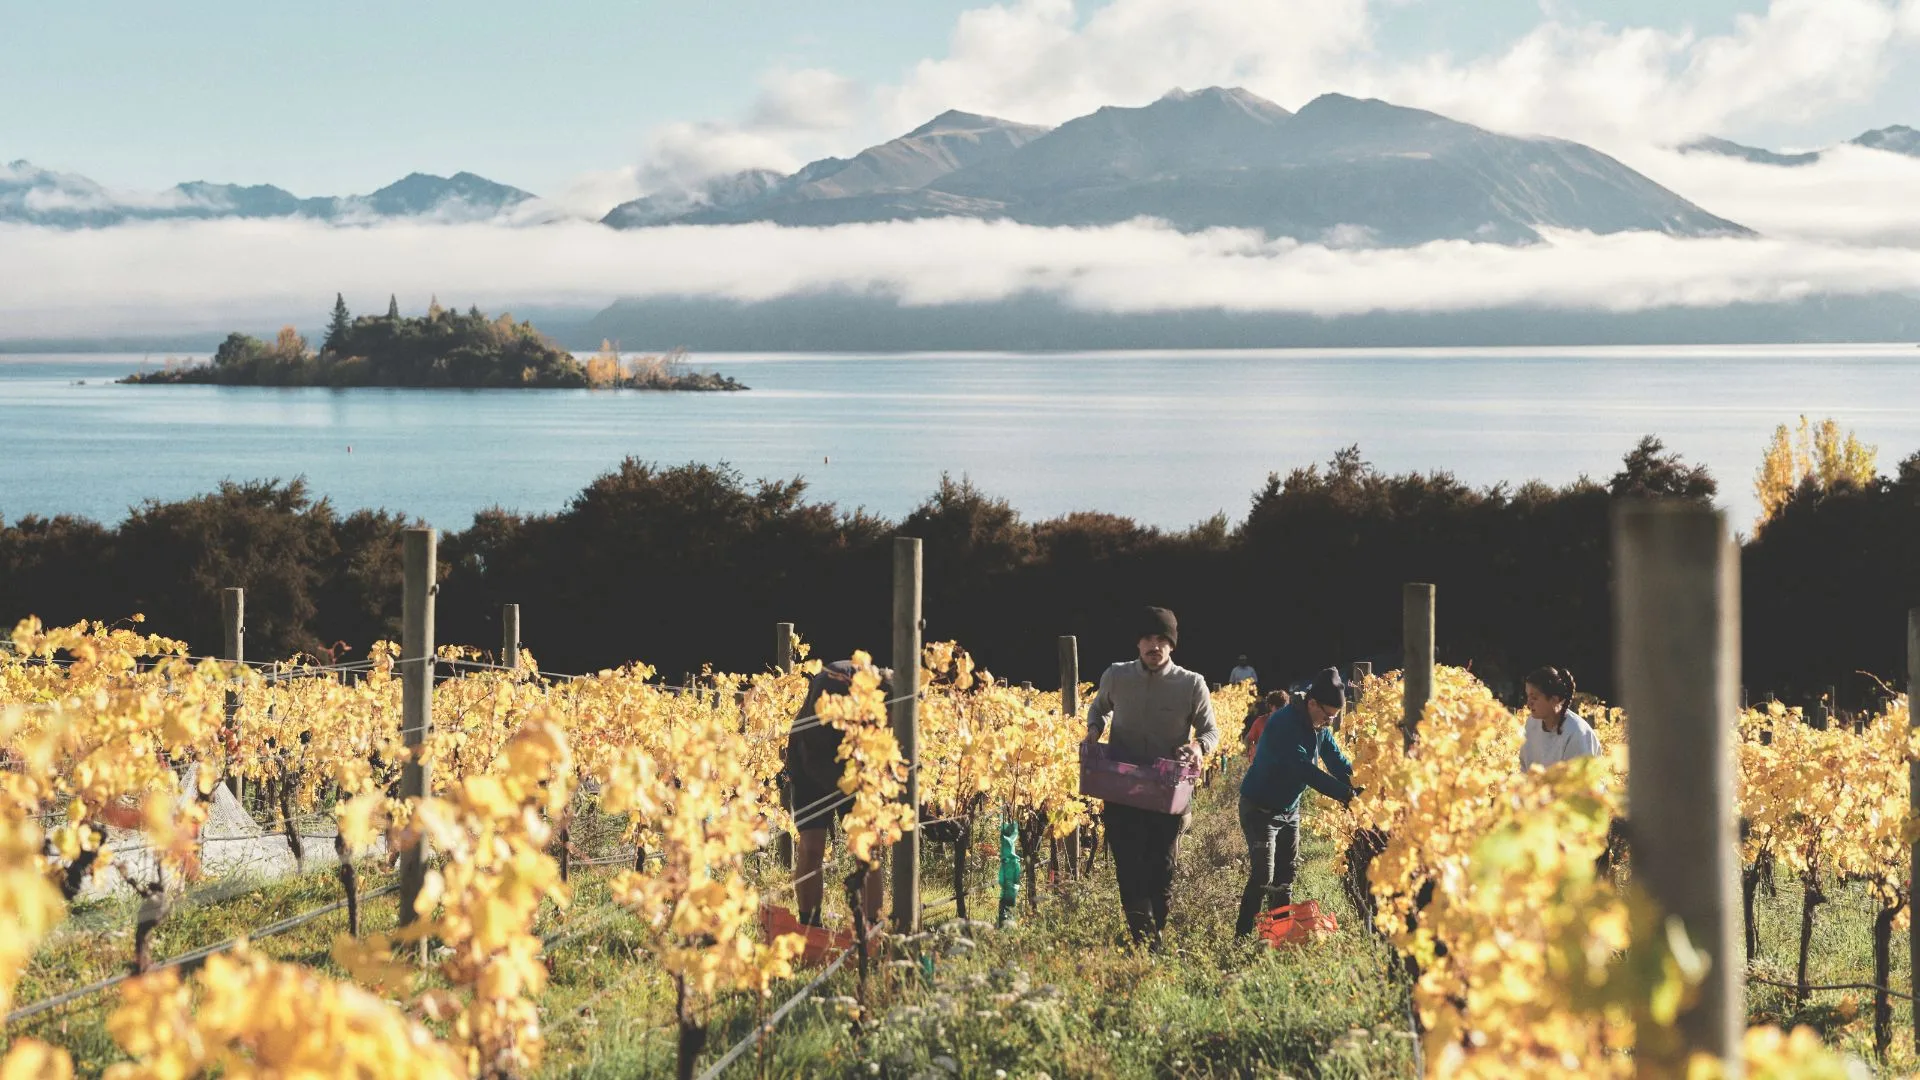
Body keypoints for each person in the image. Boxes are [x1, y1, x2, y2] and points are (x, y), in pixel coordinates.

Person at [1085, 606, 1218, 947]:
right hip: (1121, 788)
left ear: (1172, 644)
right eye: (1147, 638)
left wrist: (1198, 747)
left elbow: (1210, 731)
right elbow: (1098, 708)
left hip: (1165, 792)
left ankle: (1154, 931)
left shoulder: (1191, 684)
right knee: (1128, 869)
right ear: (1138, 643)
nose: (1154, 646)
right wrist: (1094, 729)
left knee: (1162, 871)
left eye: (1162, 639)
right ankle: (1146, 944)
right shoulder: (1117, 675)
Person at [1235, 667, 1357, 938]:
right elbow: (1305, 771)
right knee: (1263, 876)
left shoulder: (1319, 726)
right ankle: (1241, 938)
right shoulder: (1284, 724)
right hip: (1260, 808)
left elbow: (1336, 760)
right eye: (1327, 716)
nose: (1329, 722)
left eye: (1334, 718)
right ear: (1312, 703)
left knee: (1286, 876)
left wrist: (1360, 786)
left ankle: (1277, 937)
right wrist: (1347, 796)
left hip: (1289, 809)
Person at [783, 659, 888, 928]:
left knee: (867, 846)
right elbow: (813, 752)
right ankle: (810, 925)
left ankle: (872, 929)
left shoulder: (893, 709)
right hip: (808, 761)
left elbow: (899, 765)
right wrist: (844, 789)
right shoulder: (831, 684)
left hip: (855, 768)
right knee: (812, 846)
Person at [1520, 665, 1601, 770]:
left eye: (1534, 698)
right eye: (1528, 696)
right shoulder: (1531, 724)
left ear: (1554, 700)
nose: (1528, 703)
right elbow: (1524, 768)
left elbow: (1579, 778)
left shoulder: (1576, 733)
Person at [1242, 690, 1291, 760]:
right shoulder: (1261, 721)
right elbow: (1248, 739)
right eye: (1278, 708)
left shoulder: (1289, 723)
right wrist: (1251, 751)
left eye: (1283, 708)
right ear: (1270, 706)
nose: (1281, 711)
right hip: (1263, 762)